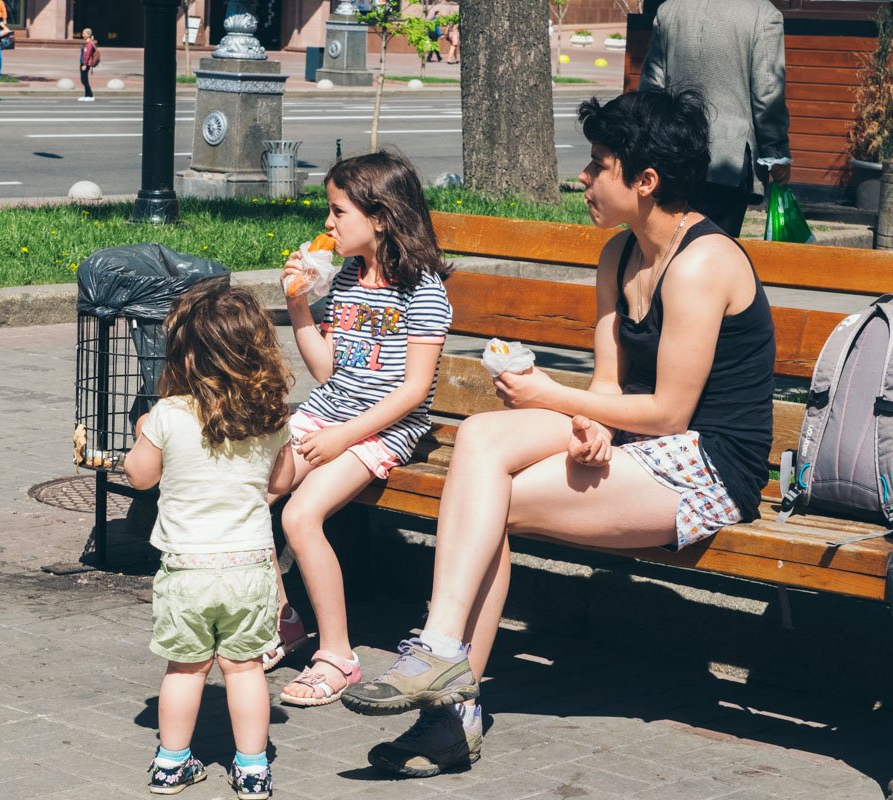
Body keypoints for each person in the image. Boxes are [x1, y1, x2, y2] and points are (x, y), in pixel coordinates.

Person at [341, 89, 776, 779]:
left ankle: (448, 701)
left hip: (709, 465)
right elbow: (609, 388)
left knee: (490, 503)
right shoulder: (619, 255)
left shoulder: (702, 262)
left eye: (598, 164)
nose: (583, 178)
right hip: (646, 445)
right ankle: (440, 655)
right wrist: (587, 419)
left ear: (645, 180)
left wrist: (550, 395)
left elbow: (670, 412)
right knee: (483, 441)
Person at [271, 149, 453, 709]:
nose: (327, 224)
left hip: (384, 427)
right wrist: (299, 306)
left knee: (300, 515)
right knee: (249, 488)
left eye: (337, 211)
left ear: (379, 217)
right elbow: (328, 371)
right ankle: (281, 619)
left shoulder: (422, 291)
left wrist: (342, 438)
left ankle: (338, 656)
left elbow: (413, 392)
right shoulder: (347, 276)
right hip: (331, 410)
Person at [122, 280, 296, 798]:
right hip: (249, 569)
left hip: (187, 571)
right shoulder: (269, 419)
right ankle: (251, 769)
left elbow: (139, 477)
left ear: (184, 355)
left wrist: (141, 434)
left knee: (186, 669)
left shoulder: (168, 416)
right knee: (244, 670)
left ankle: (172, 764)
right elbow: (282, 482)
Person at [638, 0, 792, 236]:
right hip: (728, 157)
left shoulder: (670, 9)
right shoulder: (763, 14)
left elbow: (651, 87)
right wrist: (776, 153)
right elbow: (767, 93)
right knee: (716, 251)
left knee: (671, 245)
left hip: (672, 151)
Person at [78, 28, 98, 103]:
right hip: (83, 63)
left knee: (84, 80)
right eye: (83, 33)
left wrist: (84, 64)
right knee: (83, 80)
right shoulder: (87, 42)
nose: (83, 35)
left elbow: (88, 55)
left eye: (84, 33)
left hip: (86, 63)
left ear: (88, 34)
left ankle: (91, 96)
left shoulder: (89, 43)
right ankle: (86, 96)